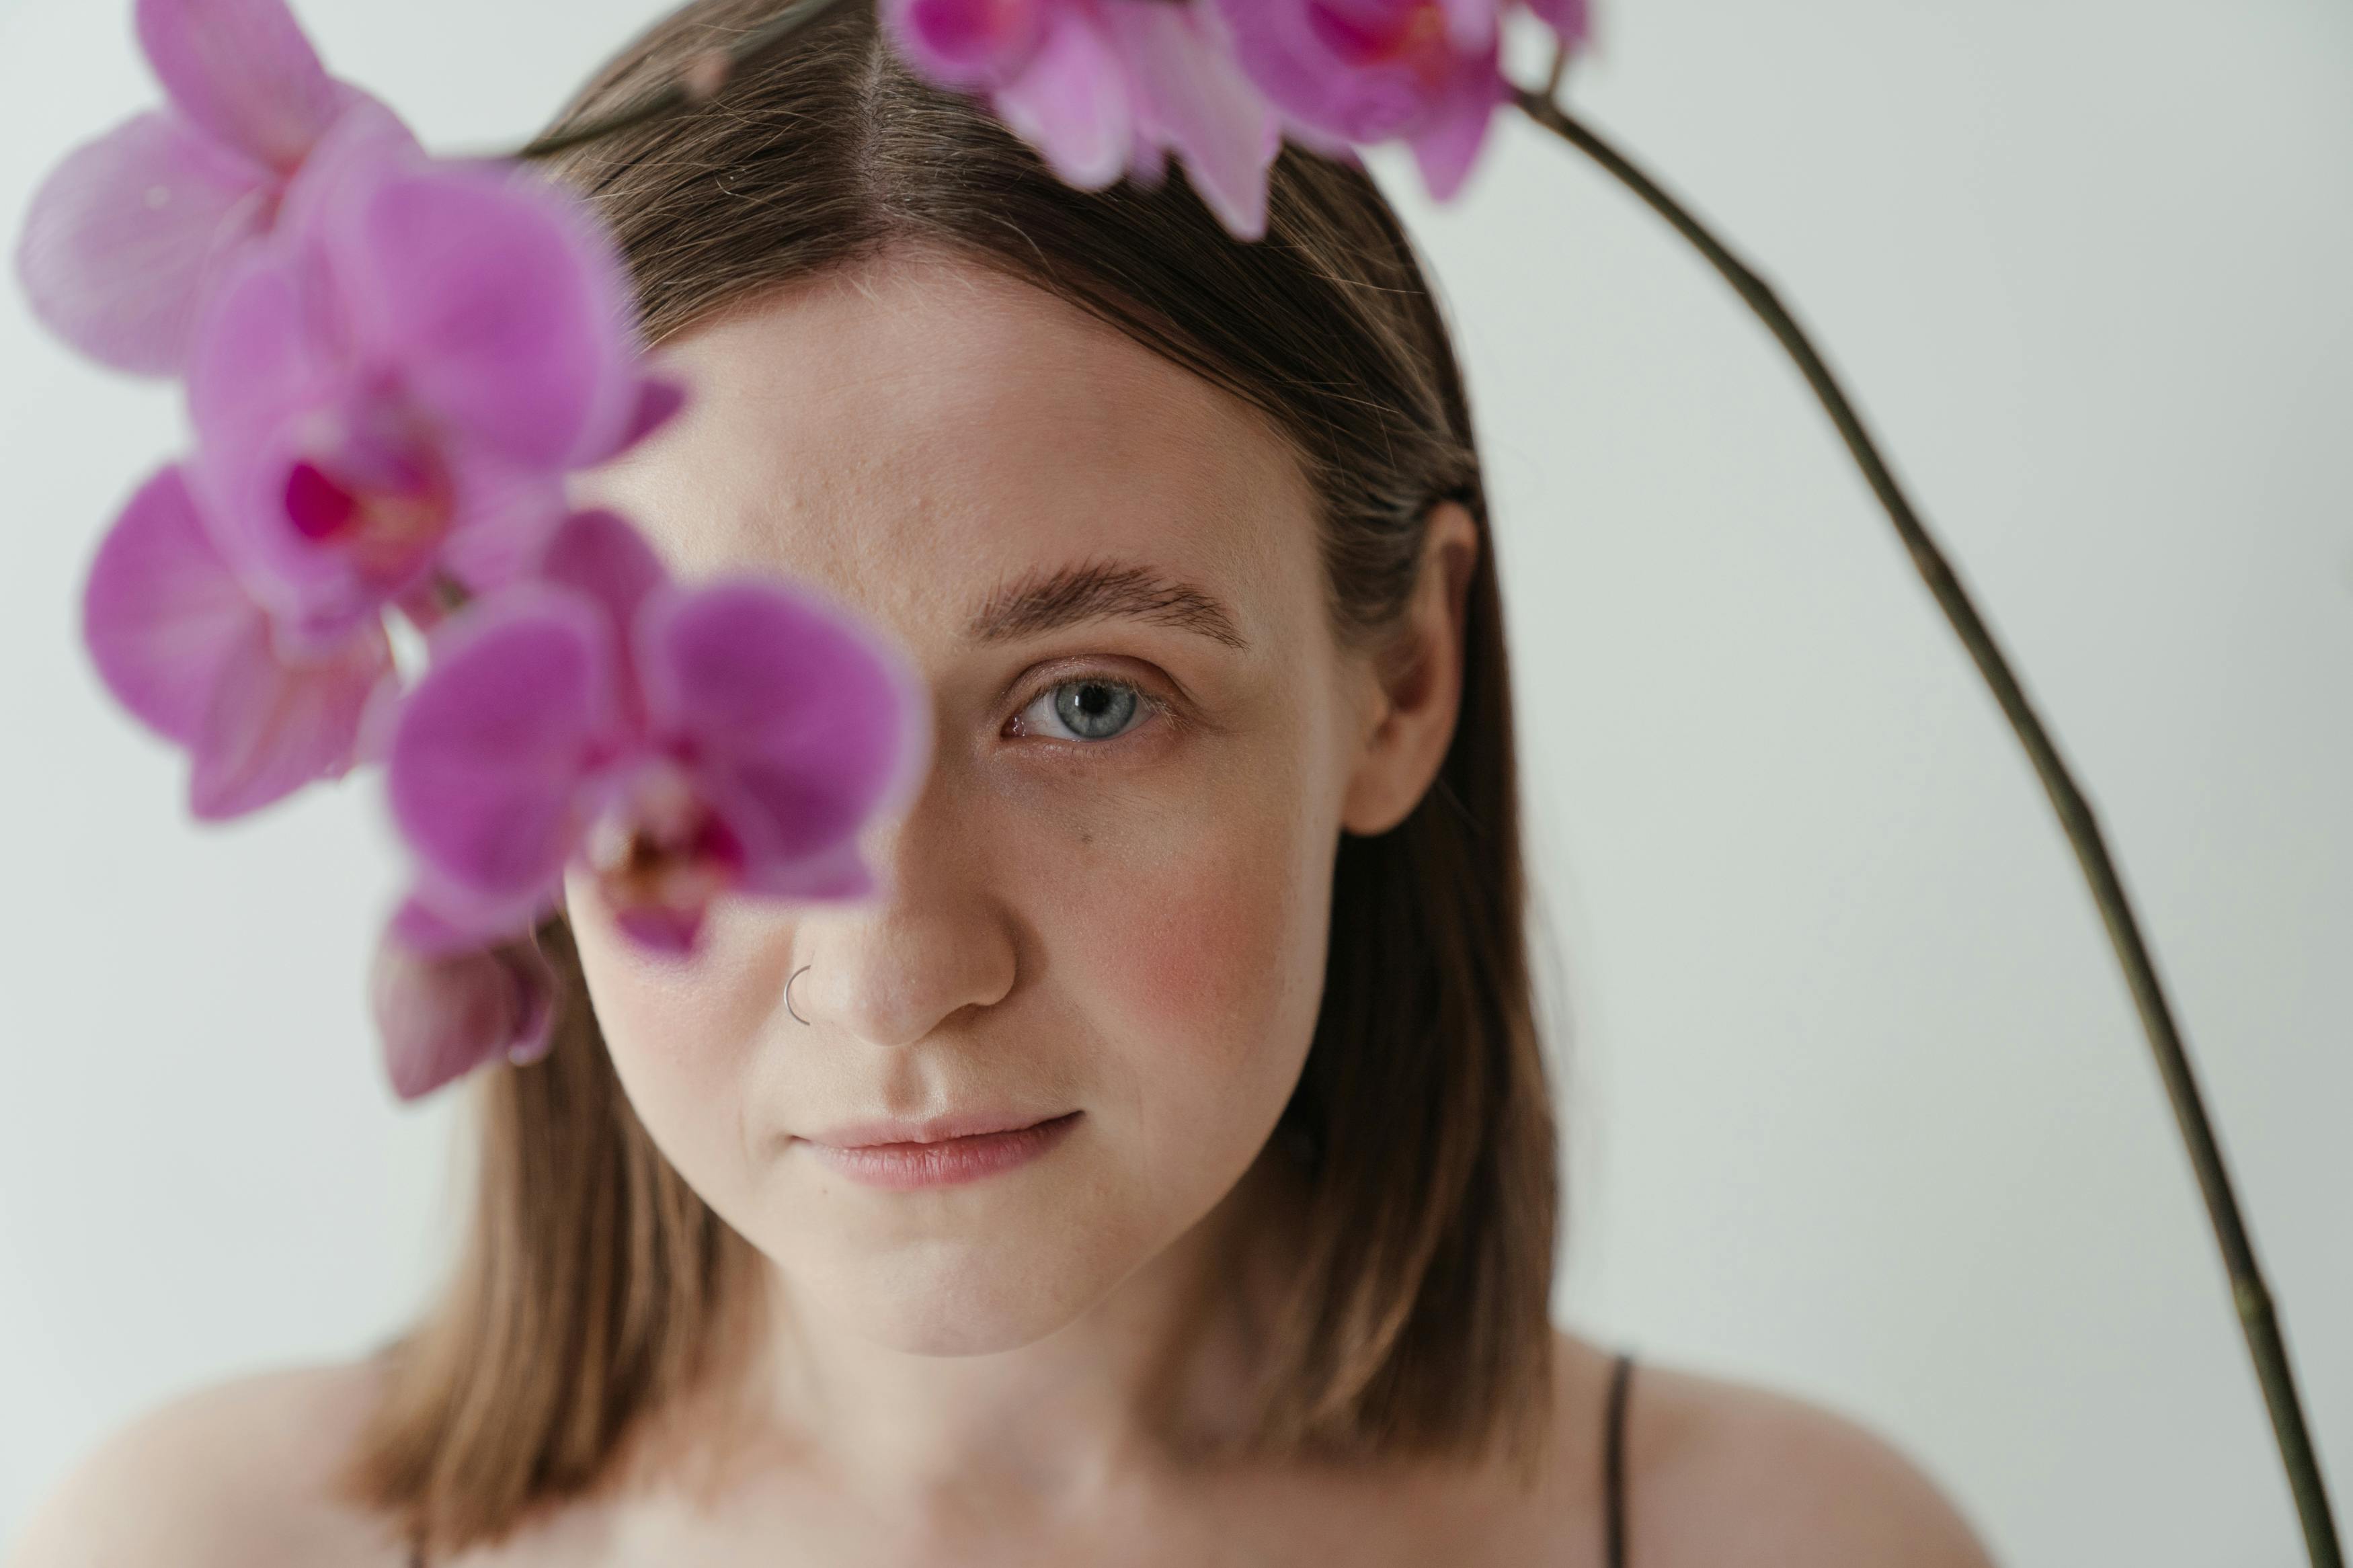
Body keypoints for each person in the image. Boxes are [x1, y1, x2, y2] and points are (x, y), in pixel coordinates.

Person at [10, 2, 1999, 1563]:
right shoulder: (204, 1552)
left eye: (1086, 705)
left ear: (1402, 679)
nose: (893, 968)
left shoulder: (1794, 1551)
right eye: (722, 724)